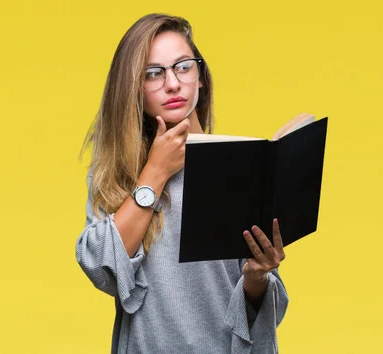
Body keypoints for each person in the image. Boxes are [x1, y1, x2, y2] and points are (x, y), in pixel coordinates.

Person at [75, 13, 288, 354]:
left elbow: (263, 319)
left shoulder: (237, 166)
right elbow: (103, 269)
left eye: (183, 67)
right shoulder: (116, 174)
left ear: (201, 77)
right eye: (153, 73)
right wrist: (155, 173)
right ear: (134, 88)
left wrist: (257, 277)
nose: (172, 84)